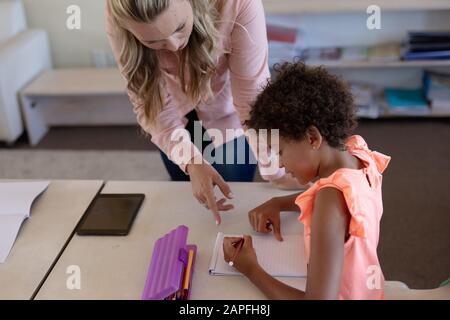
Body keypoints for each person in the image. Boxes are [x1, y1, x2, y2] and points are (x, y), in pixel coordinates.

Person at [105, 0, 304, 226]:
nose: (173, 45)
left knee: (234, 200)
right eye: (153, 42)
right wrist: (190, 161)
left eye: (180, 28)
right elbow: (151, 103)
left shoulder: (237, 4)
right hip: (174, 112)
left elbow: (251, 99)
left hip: (229, 114)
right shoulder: (120, 11)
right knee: (188, 201)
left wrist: (275, 168)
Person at [223, 61, 391, 300]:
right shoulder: (357, 155)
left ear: (312, 137)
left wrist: (250, 268)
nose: (280, 164)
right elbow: (343, 203)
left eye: (280, 151)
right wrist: (280, 202)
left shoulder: (330, 199)